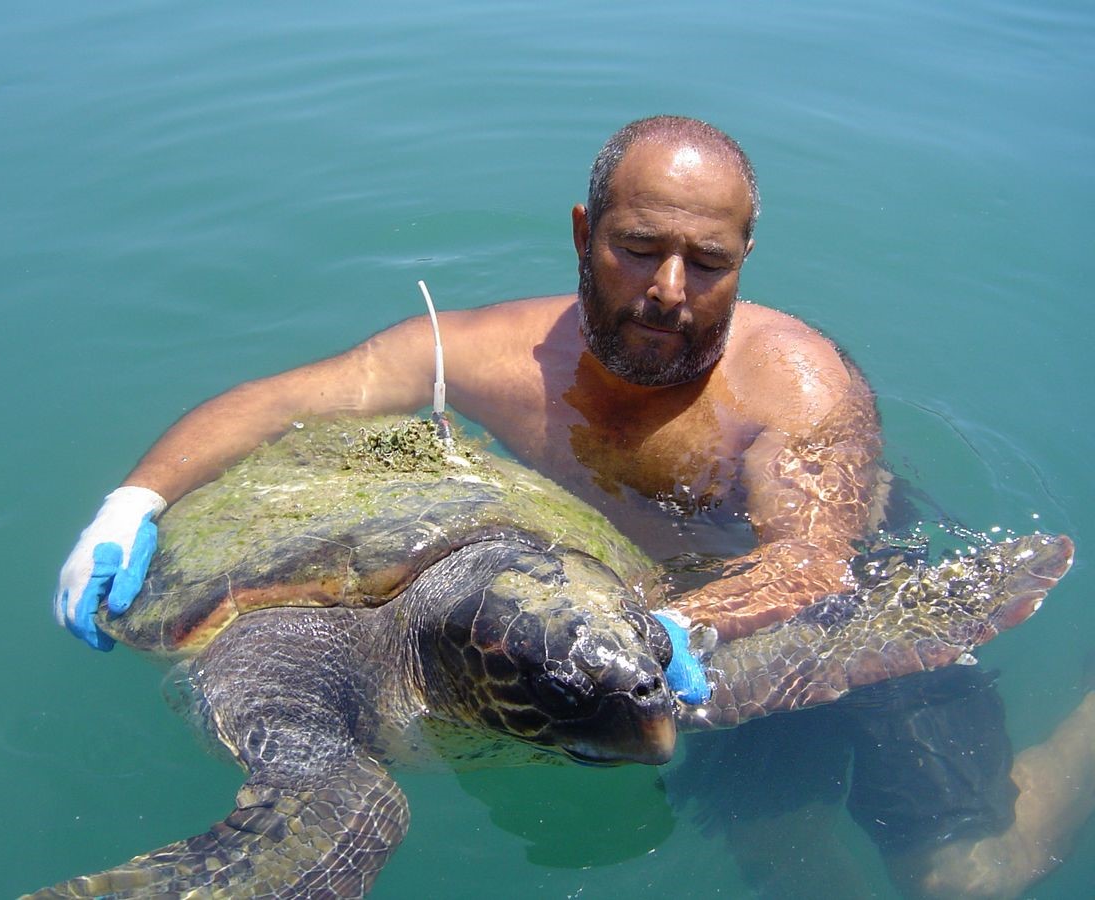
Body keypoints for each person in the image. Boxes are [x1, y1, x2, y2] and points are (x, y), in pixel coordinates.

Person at [53, 115, 1093, 897]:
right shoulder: (486, 354)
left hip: (805, 602)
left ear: (745, 260)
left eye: (708, 263)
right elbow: (279, 401)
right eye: (639, 247)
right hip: (618, 616)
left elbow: (814, 566)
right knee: (786, 864)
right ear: (585, 232)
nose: (670, 288)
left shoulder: (795, 386)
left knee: (965, 879)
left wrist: (668, 636)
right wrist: (130, 504)